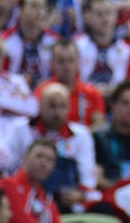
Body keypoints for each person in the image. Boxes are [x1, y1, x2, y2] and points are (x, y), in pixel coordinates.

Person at [12, 82, 98, 214]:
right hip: (27, 191)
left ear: (69, 108)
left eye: (62, 106)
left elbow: (87, 172)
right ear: (40, 106)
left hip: (63, 196)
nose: (57, 112)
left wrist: (80, 195)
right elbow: (10, 166)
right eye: (52, 106)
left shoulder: (81, 135)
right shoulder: (22, 129)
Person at [34, 39, 106, 130]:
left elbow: (99, 125)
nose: (67, 66)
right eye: (61, 61)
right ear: (52, 63)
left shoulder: (92, 93)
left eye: (70, 60)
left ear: (78, 62)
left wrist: (79, 137)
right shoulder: (42, 91)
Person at [74, 0, 130, 96]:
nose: (105, 19)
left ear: (115, 16)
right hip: (84, 97)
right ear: (88, 17)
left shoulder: (126, 49)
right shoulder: (77, 46)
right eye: (99, 14)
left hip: (116, 100)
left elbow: (129, 82)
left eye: (109, 13)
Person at [1, 0, 57, 88]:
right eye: (34, 6)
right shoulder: (4, 40)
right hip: (11, 91)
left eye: (42, 7)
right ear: (21, 11)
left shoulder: (55, 41)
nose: (39, 11)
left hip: (46, 92)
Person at [0, 140, 61, 223]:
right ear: (25, 157)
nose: (43, 163)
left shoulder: (46, 198)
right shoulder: (8, 185)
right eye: (39, 156)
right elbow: (19, 219)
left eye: (49, 160)